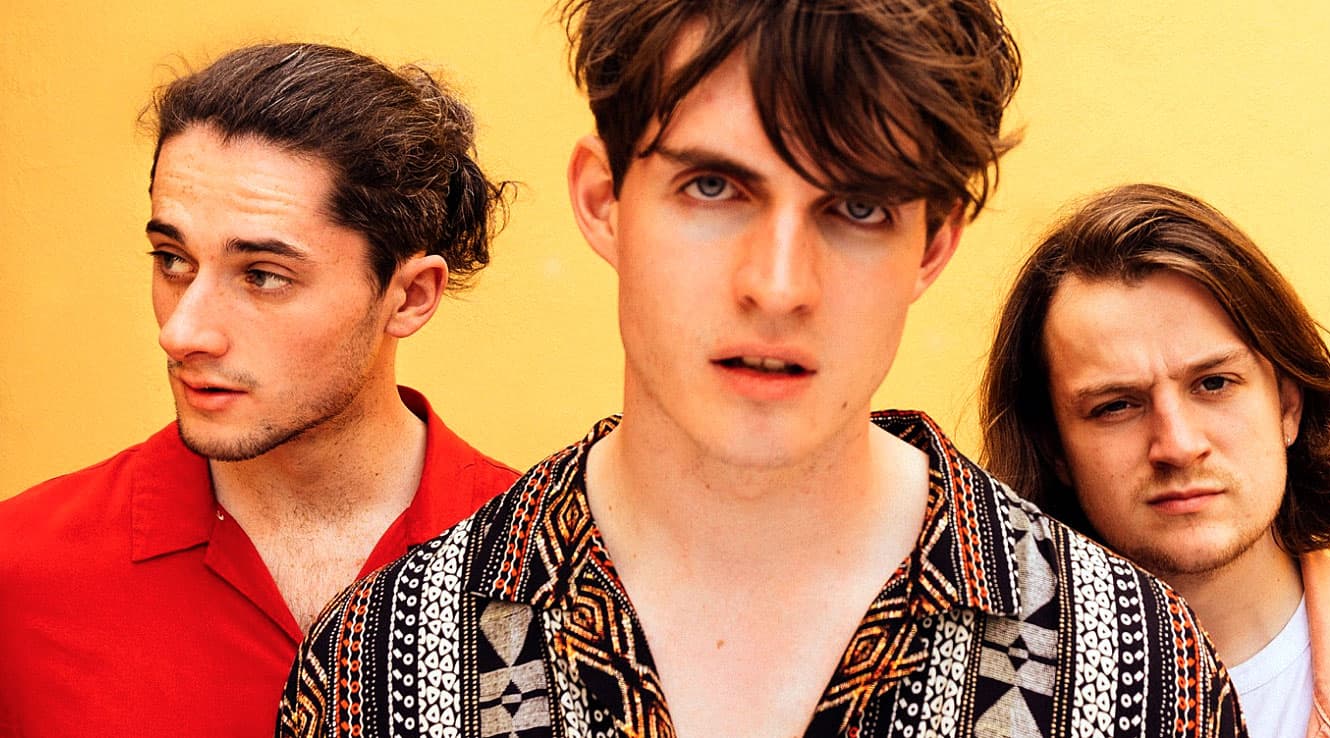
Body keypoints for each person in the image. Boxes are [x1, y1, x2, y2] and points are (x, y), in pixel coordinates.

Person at [278, 5, 1243, 738]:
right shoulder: (387, 668)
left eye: (858, 208)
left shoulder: (1136, 675)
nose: (779, 287)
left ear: (933, 243)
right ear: (606, 200)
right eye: (714, 187)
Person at [0, 43, 521, 738]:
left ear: (409, 296)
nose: (182, 332)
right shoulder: (22, 574)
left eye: (263, 275)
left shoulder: (550, 574)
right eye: (172, 260)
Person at [980, 182, 1330, 736]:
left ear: (1287, 405)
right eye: (1116, 405)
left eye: (1214, 383)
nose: (1178, 445)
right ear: (1055, 448)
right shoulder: (975, 708)